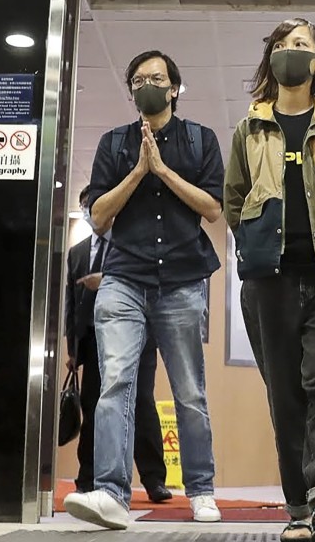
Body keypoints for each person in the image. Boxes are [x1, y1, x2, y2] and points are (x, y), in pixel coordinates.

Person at [63, 50, 225, 530]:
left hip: (181, 280)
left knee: (189, 392)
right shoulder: (114, 144)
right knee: (114, 382)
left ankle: (201, 490)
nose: (147, 85)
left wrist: (163, 170)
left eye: (156, 78)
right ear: (130, 91)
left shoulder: (200, 140)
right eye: (137, 80)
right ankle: (112, 493)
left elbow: (213, 208)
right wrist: (138, 170)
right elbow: (97, 216)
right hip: (124, 278)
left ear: (174, 87)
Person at [224, 18, 315, 542]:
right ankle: (297, 511)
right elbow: (234, 202)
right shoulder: (249, 129)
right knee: (286, 394)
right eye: (282, 46)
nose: (290, 52)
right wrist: (256, 245)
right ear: (271, 61)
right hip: (270, 279)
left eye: (300, 46)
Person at [64, 185, 171, 504]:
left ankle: (154, 480)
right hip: (95, 339)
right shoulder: (78, 252)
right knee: (95, 403)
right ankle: (87, 478)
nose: (89, 210)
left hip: (137, 336)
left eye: (93, 204)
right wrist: (73, 349)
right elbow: (72, 303)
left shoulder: (133, 245)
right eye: (84, 205)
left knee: (141, 403)